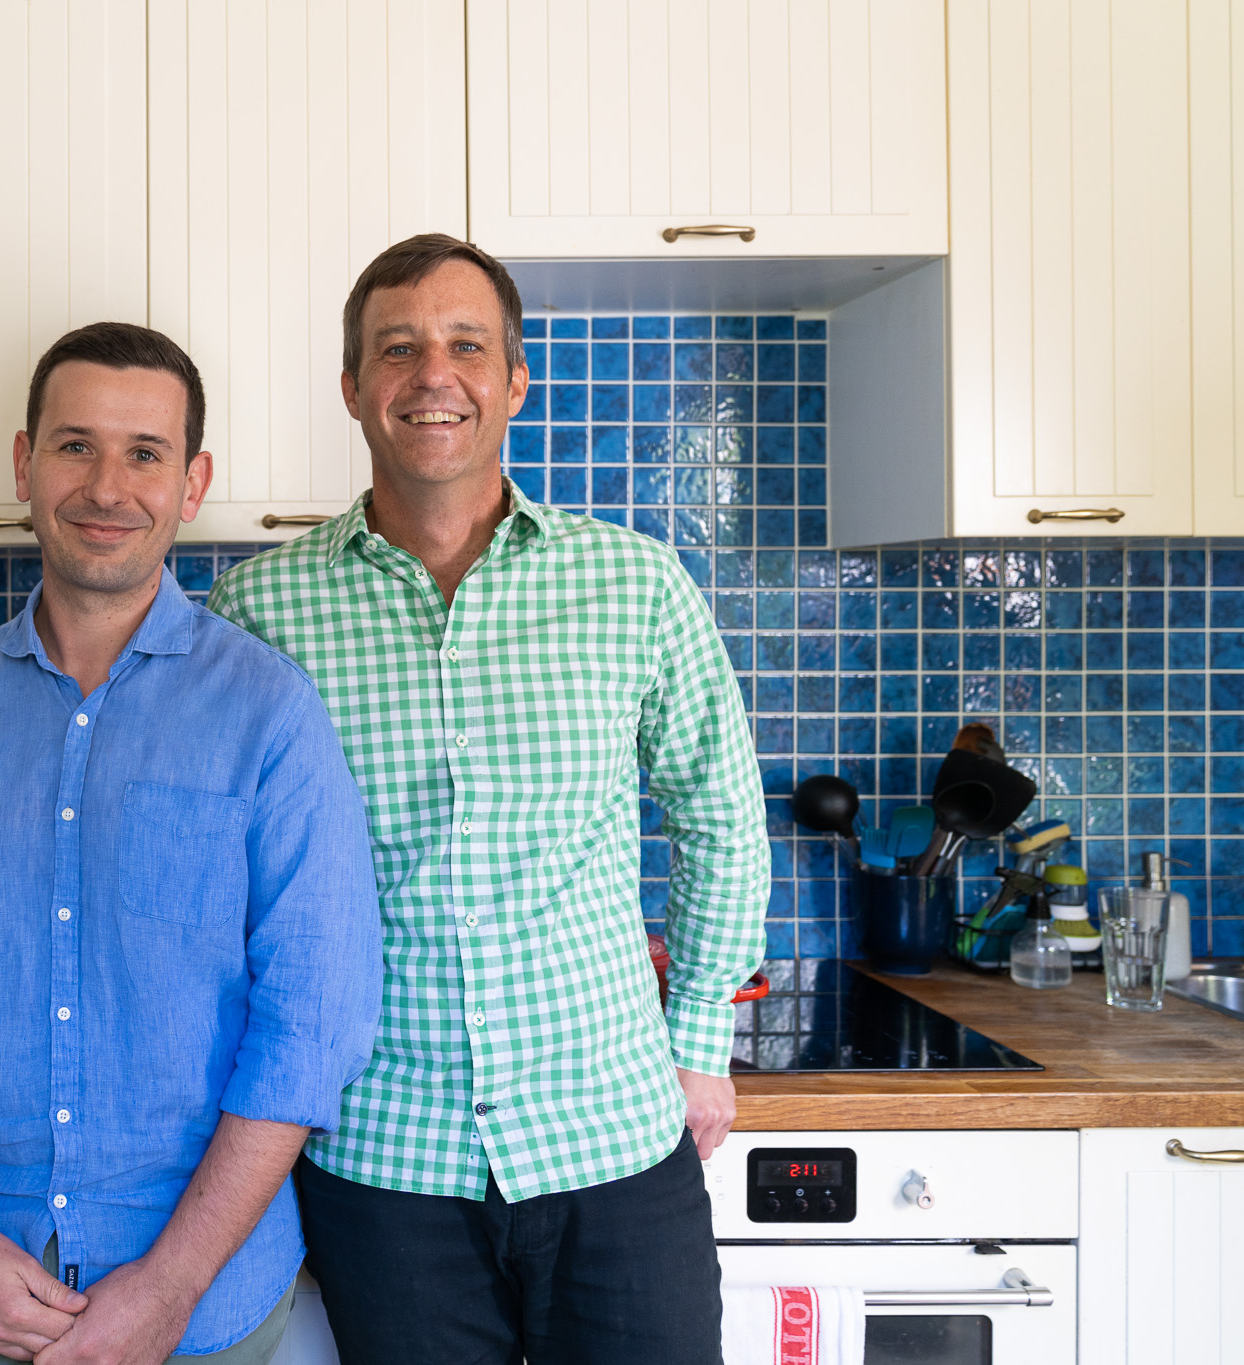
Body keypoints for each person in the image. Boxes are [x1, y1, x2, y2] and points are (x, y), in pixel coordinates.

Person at [207, 234, 770, 1364]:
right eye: (398, 348)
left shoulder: (634, 584)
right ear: (353, 388)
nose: (433, 375)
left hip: (611, 1139)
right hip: (380, 1158)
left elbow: (718, 817)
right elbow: (226, 886)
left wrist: (699, 1038)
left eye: (466, 345)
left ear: (513, 378)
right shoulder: (258, 613)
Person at [0, 321, 382, 1365]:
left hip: (194, 1283)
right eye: (74, 445)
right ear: (24, 464)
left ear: (191, 482)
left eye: (145, 453)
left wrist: (170, 1288)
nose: (105, 486)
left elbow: (311, 1026)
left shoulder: (270, 716)